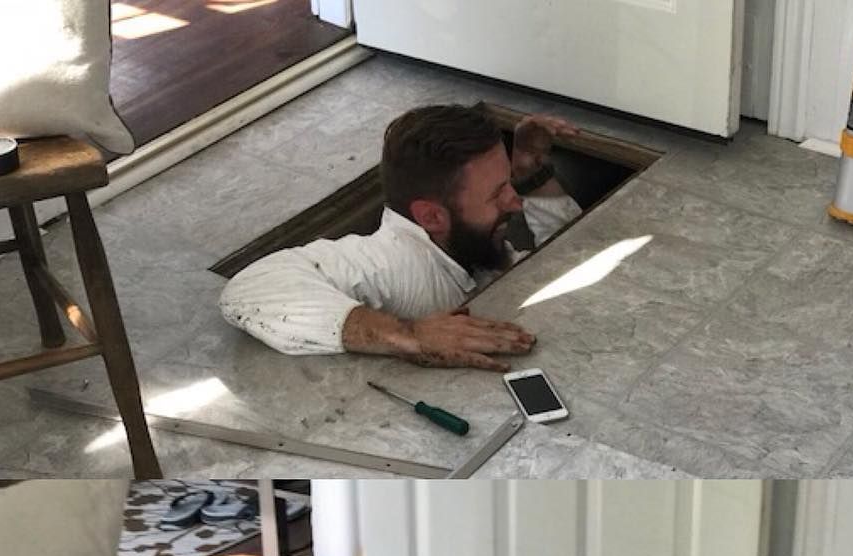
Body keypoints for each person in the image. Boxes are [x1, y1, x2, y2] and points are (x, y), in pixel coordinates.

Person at [219, 105, 583, 372]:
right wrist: (411, 335)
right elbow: (249, 289)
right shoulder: (387, 262)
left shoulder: (473, 244)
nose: (515, 202)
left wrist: (532, 174)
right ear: (432, 217)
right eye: (497, 193)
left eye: (510, 183)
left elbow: (560, 269)